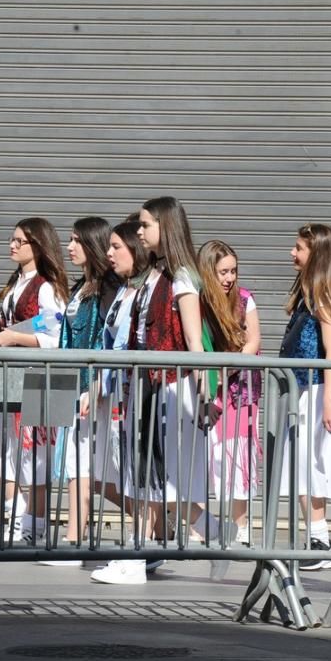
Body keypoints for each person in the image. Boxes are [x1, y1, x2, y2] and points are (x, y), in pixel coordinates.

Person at [129, 197, 229, 546]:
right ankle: (153, 549)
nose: (139, 232)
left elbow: (192, 340)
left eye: (146, 225)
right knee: (152, 471)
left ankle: (139, 554)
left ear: (165, 226)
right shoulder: (154, 273)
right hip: (150, 384)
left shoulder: (182, 276)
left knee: (159, 471)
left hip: (170, 386)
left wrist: (206, 396)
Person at [0, 217, 69, 545]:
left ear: (37, 245)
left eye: (20, 241)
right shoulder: (17, 282)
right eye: (11, 239)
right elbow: (15, 320)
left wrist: (14, 338)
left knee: (36, 454)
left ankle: (32, 526)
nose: (12, 245)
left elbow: (56, 336)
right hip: (7, 371)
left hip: (41, 375)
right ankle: (16, 511)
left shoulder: (49, 286)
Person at [90, 215, 164, 585]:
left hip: (140, 390)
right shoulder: (125, 289)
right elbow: (112, 343)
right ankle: (141, 548)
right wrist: (99, 385)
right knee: (127, 472)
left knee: (141, 471)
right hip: (121, 391)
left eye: (117, 246)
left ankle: (141, 550)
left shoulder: (150, 287)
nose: (110, 253)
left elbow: (128, 345)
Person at [279, 223, 331, 571]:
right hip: (309, 388)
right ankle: (317, 535)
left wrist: (328, 400)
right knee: (305, 465)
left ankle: (319, 539)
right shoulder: (311, 293)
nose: (292, 254)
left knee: (310, 465)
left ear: (317, 254)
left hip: (320, 389)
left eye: (299, 248)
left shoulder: (323, 296)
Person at [51, 216, 116, 558]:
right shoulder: (81, 288)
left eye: (76, 240)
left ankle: (74, 540)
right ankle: (167, 520)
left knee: (84, 466)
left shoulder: (108, 288)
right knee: (78, 466)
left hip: (94, 390)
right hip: (72, 384)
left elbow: (107, 341)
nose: (70, 246)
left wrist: (96, 384)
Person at [197, 240, 262, 545]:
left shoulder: (245, 300)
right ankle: (202, 523)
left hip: (238, 390)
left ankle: (240, 523)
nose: (229, 278)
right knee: (207, 456)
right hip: (205, 390)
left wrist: (227, 371)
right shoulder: (197, 302)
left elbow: (253, 341)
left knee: (238, 456)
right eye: (223, 271)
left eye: (233, 271)